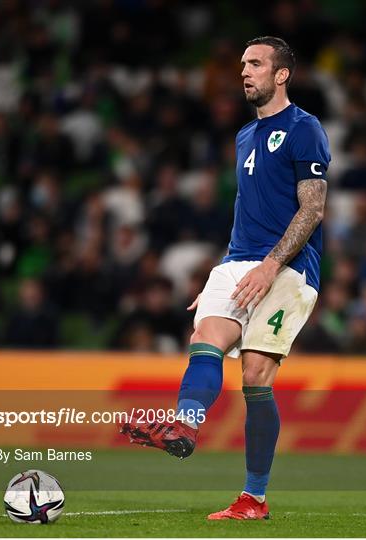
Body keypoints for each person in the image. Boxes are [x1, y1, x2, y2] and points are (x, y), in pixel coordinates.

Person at [120, 36, 330, 521]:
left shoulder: (305, 128)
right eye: (242, 64)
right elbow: (248, 212)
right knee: (206, 336)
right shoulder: (243, 136)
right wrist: (226, 268)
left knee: (254, 375)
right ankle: (186, 428)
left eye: (255, 64)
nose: (244, 71)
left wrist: (271, 265)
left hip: (290, 267)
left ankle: (253, 498)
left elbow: (313, 207)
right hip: (238, 261)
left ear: (282, 75)